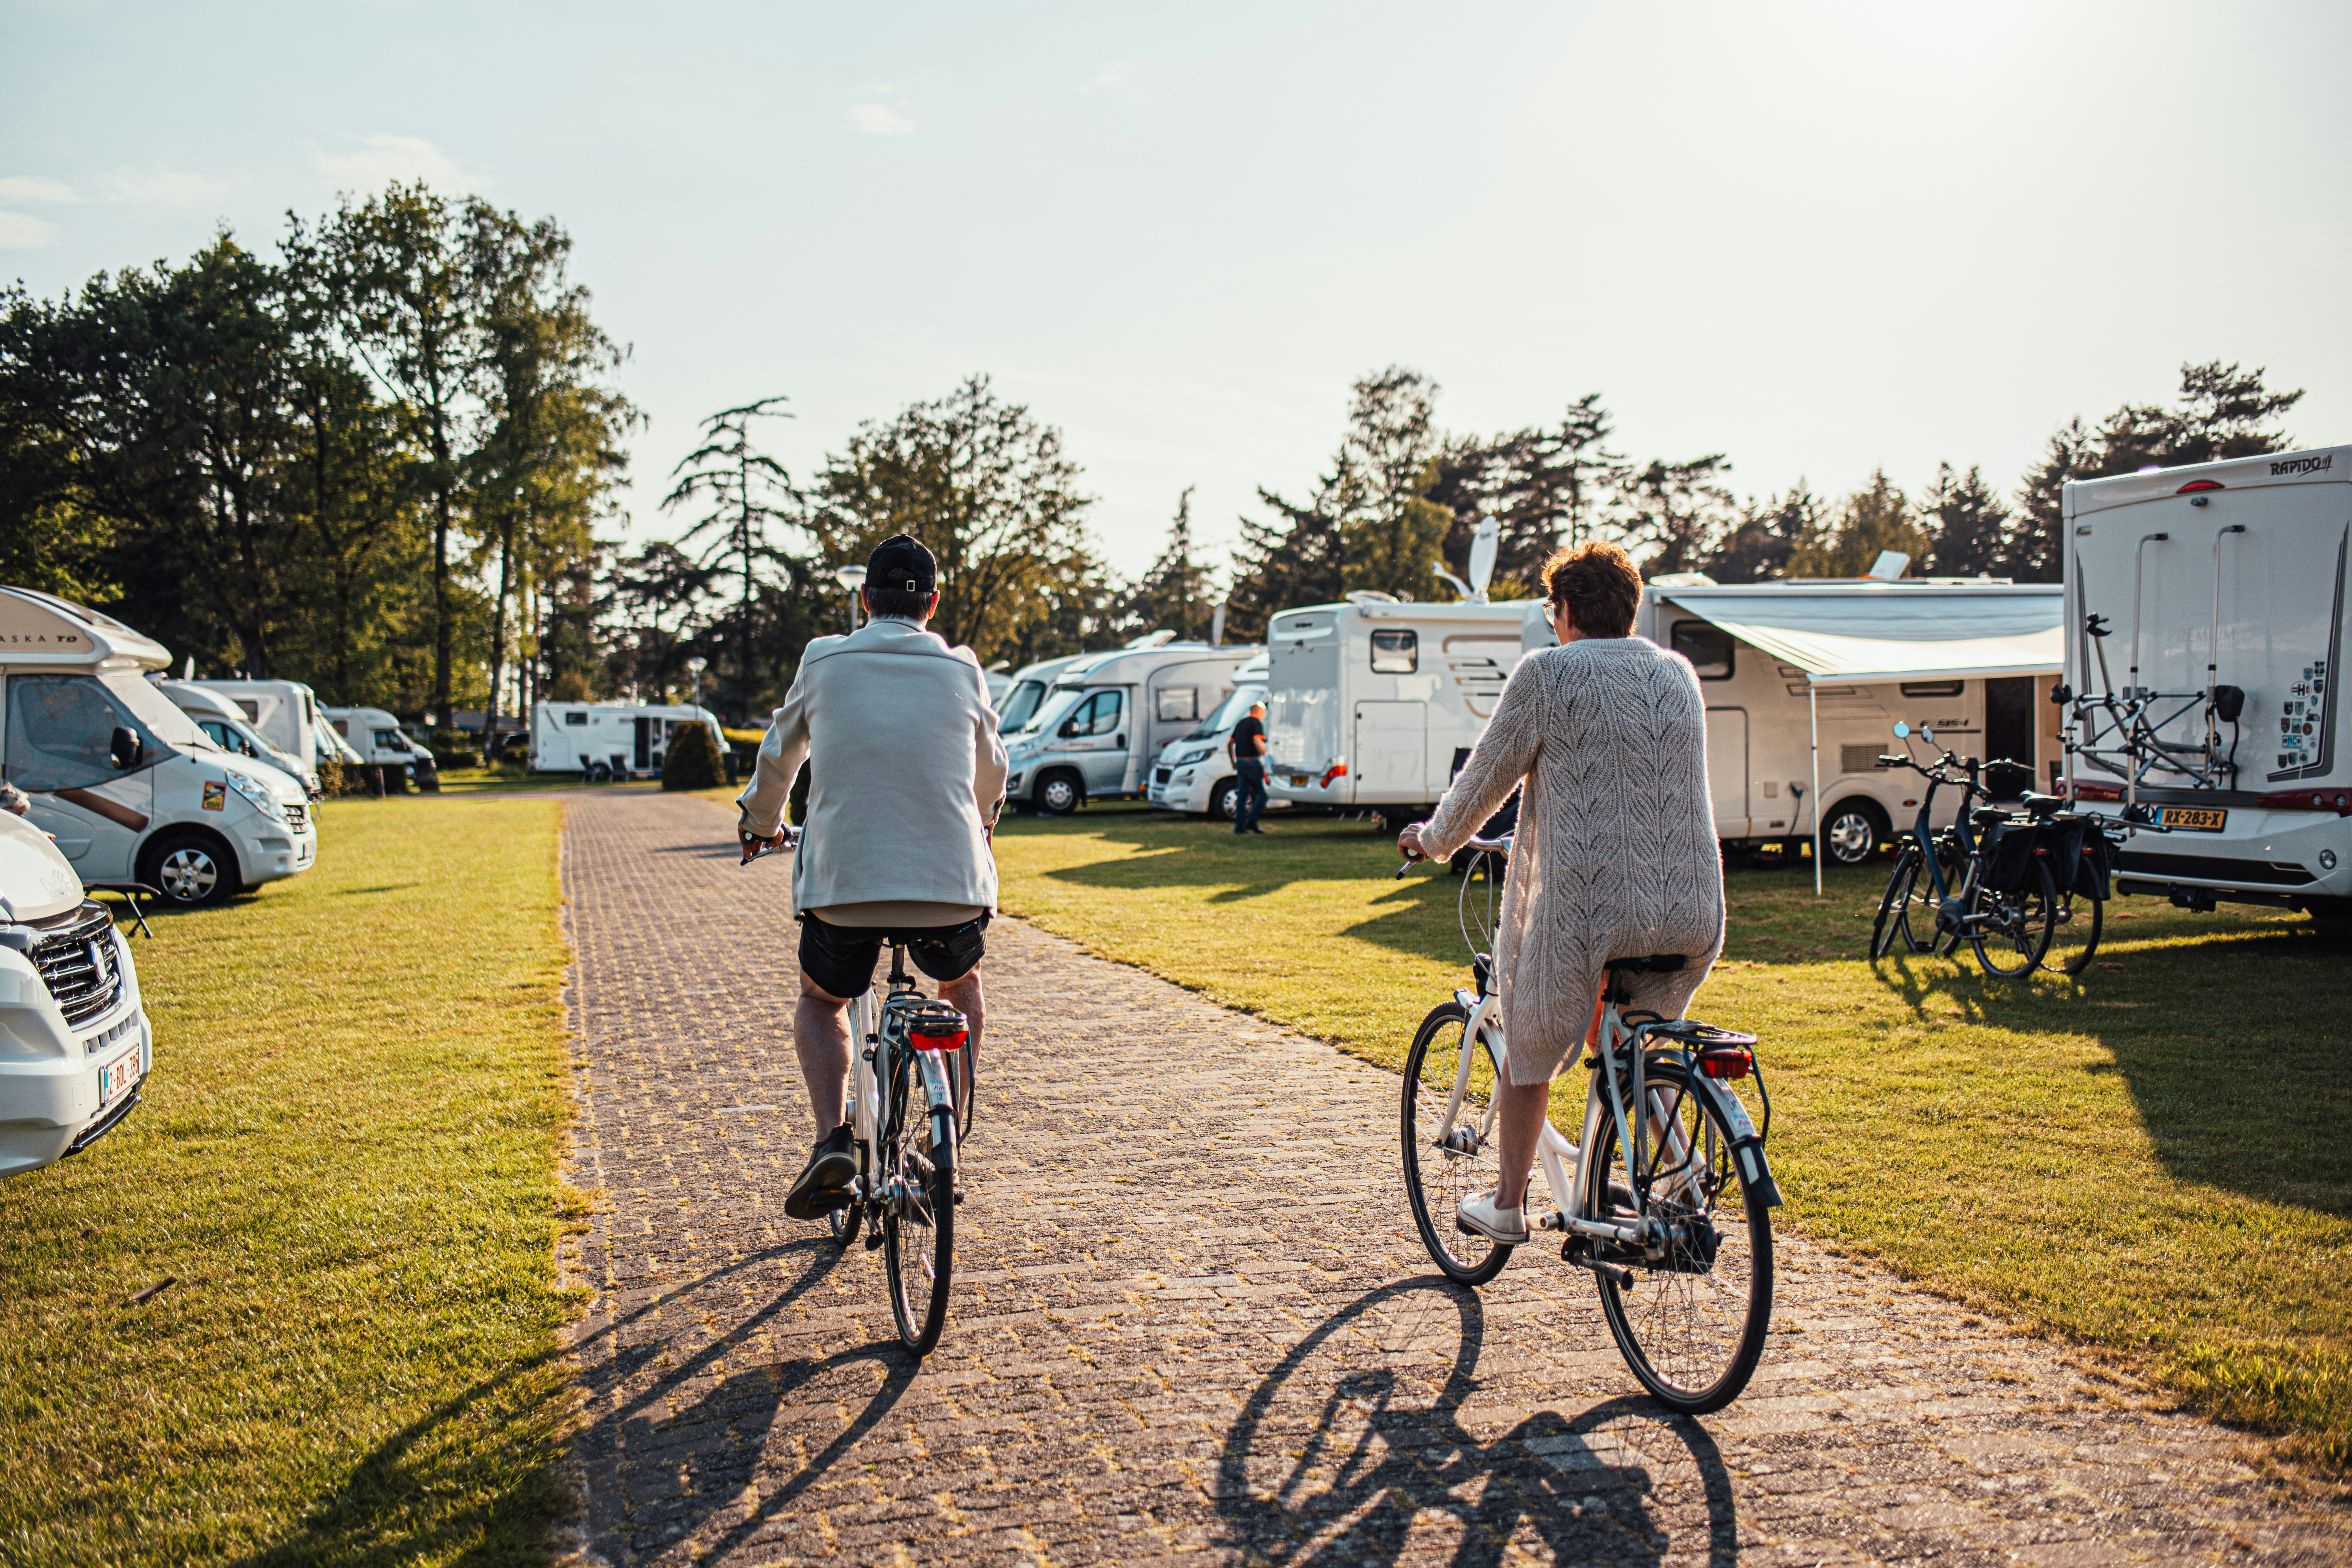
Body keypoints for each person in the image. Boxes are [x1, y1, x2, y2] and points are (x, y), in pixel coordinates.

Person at [1396, 540, 1724, 1245]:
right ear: (1629, 609)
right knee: (1639, 1042)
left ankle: (1508, 1204)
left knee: (1530, 1040)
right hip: (1691, 909)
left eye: (1554, 610)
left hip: (1593, 909)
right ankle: (1683, 1184)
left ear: (1567, 610)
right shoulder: (1677, 675)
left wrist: (1433, 839)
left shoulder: (1548, 673)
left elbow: (1486, 781)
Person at [736, 534, 1009, 1221]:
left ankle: (832, 1139)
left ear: (864, 601)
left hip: (846, 886)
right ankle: (944, 1140)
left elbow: (779, 756)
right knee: (962, 985)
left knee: (822, 1000)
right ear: (934, 603)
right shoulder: (963, 669)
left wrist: (760, 822)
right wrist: (982, 821)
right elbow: (993, 770)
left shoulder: (825, 660)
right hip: (949, 886)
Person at [1227, 700, 1268, 834]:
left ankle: (1239, 827)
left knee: (1243, 795)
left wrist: (1233, 761)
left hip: (1240, 763)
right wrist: (1266, 755)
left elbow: (1230, 743)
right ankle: (1252, 821)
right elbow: (1257, 741)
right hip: (1252, 762)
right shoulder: (1256, 723)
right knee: (1263, 794)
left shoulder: (1241, 723)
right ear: (1259, 711)